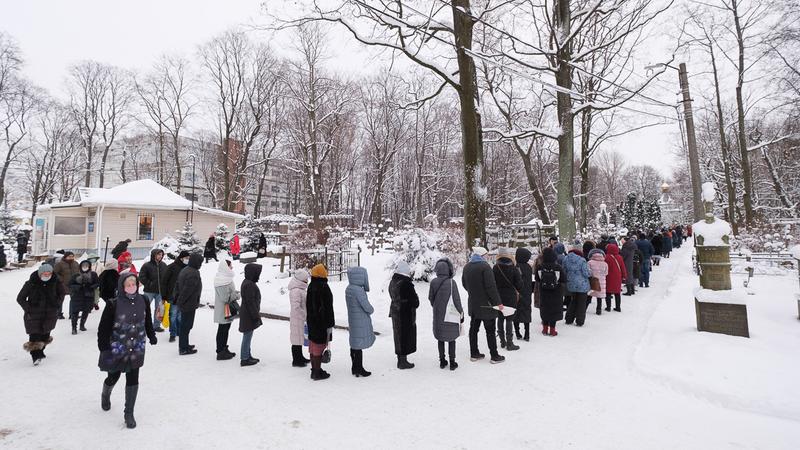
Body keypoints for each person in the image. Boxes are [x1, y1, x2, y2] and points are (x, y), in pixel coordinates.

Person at [97, 273, 157, 429]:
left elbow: (147, 320)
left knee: (133, 379)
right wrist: (103, 347)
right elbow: (103, 329)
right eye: (128, 285)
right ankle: (106, 394)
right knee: (113, 376)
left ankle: (128, 413)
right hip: (117, 347)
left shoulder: (143, 300)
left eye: (134, 284)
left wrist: (151, 335)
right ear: (122, 287)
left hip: (136, 347)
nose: (132, 287)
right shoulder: (113, 304)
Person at [462, 247, 505, 364]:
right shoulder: (485, 267)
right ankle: (494, 356)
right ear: (482, 255)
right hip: (487, 306)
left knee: (474, 329)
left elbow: (464, 284)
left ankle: (474, 353)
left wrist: (474, 293)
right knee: (490, 330)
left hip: (473, 304)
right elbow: (491, 288)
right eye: (486, 255)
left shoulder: (467, 267)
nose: (487, 257)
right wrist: (498, 303)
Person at [18, 264, 65, 365]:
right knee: (34, 336)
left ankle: (41, 351)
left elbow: (62, 293)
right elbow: (20, 298)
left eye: (49, 273)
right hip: (33, 315)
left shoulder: (56, 282)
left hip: (50, 314)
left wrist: (57, 304)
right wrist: (28, 308)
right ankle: (36, 356)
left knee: (45, 335)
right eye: (44, 273)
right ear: (40, 273)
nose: (47, 275)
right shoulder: (31, 283)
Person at [429, 258, 463, 370]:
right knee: (451, 339)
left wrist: (437, 306)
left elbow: (431, 299)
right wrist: (461, 313)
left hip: (439, 314)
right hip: (451, 315)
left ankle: (442, 361)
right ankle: (452, 362)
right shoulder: (452, 283)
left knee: (440, 338)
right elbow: (457, 300)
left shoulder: (433, 282)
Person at [344, 266, 375, 377]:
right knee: (358, 346)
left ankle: (354, 367)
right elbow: (367, 307)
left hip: (353, 319)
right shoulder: (358, 290)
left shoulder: (349, 288)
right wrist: (372, 309)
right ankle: (359, 368)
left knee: (354, 344)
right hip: (360, 320)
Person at [388, 260, 419, 369]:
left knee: (398, 334)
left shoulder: (393, 282)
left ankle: (400, 359)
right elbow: (415, 302)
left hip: (395, 311)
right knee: (405, 335)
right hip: (405, 313)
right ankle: (403, 361)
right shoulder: (406, 283)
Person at [306, 264, 334, 380]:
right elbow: (328, 307)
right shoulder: (323, 287)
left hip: (312, 321)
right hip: (321, 322)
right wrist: (329, 323)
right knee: (319, 345)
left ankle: (314, 369)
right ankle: (317, 373)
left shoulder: (311, 285)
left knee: (313, 345)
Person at [173, 253, 203, 355]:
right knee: (186, 326)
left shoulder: (185, 269)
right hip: (188, 304)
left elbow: (177, 285)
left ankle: (185, 345)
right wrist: (180, 302)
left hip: (185, 303)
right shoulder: (193, 273)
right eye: (200, 262)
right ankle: (183, 348)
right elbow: (187, 290)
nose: (201, 264)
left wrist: (177, 299)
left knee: (184, 326)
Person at [493, 247, 521, 351]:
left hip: (498, 296)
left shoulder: (495, 268)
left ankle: (502, 341)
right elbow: (519, 285)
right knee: (509, 319)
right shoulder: (513, 268)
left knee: (500, 318)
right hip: (510, 297)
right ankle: (510, 343)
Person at [536, 247, 565, 336]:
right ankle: (552, 330)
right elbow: (563, 279)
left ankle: (544, 329)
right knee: (554, 309)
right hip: (556, 292)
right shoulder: (558, 267)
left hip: (544, 292)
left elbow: (537, 279)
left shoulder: (540, 267)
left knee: (545, 309)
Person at [213, 259, 239, 361]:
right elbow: (225, 298)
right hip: (224, 310)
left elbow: (229, 292)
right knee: (222, 330)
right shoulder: (221, 280)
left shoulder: (225, 278)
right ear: (225, 267)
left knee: (225, 330)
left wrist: (234, 293)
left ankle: (223, 348)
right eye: (230, 266)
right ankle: (220, 351)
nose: (231, 267)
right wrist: (236, 295)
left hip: (227, 309)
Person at [162, 250, 189, 343]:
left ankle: (179, 331)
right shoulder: (172, 267)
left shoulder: (187, 268)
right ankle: (172, 334)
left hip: (183, 296)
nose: (188, 260)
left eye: (189, 258)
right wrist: (164, 296)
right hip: (172, 296)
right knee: (173, 315)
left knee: (180, 316)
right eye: (186, 258)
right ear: (181, 258)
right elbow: (164, 282)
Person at [239, 263, 263, 367]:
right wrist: (255, 315)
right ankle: (244, 358)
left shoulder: (248, 282)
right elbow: (250, 302)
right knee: (247, 336)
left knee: (248, 335)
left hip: (247, 313)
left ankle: (247, 355)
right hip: (248, 314)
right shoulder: (249, 285)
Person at [139, 249, 167, 333]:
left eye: (161, 255)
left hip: (160, 292)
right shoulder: (146, 265)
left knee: (160, 309)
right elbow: (142, 277)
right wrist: (149, 284)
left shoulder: (164, 265)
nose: (160, 256)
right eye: (158, 254)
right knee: (144, 308)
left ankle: (156, 326)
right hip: (149, 291)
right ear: (154, 255)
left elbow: (167, 277)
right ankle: (143, 324)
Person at [68, 259, 99, 335]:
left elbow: (98, 283)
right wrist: (77, 286)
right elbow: (70, 284)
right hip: (77, 296)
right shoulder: (76, 275)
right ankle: (74, 328)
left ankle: (82, 325)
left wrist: (92, 286)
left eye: (87, 266)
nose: (85, 267)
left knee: (86, 311)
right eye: (83, 266)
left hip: (88, 295)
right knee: (75, 312)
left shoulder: (93, 274)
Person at [288, 269, 311, 367]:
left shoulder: (300, 289)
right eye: (306, 279)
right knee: (296, 339)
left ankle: (300, 357)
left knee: (299, 338)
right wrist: (304, 315)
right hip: (298, 318)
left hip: (300, 318)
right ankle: (296, 360)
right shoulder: (296, 291)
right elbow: (295, 307)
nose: (307, 281)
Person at [564, 249, 590, 326]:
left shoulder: (565, 259)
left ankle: (568, 319)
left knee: (573, 301)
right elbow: (586, 273)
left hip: (571, 284)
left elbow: (564, 271)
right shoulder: (582, 260)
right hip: (582, 285)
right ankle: (580, 321)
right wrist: (591, 272)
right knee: (582, 303)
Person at [513, 247, 534, 342]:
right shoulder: (529, 268)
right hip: (527, 293)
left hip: (516, 293)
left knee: (516, 312)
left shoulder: (515, 267)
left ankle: (517, 332)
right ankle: (527, 334)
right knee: (526, 312)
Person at [54, 251, 80, 320]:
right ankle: (58, 314)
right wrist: (61, 279)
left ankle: (72, 314)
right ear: (65, 257)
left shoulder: (76, 263)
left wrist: (78, 279)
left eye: (72, 256)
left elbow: (79, 272)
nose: (71, 258)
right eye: (69, 256)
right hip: (62, 284)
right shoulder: (60, 264)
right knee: (60, 299)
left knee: (74, 299)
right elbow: (55, 273)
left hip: (73, 284)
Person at [604, 243, 627, 313]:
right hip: (617, 277)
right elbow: (623, 267)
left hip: (608, 277)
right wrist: (624, 276)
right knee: (617, 293)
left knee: (608, 292)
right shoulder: (620, 257)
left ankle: (608, 307)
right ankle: (618, 307)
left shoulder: (606, 257)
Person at [588, 249, 609, 315]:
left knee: (589, 295)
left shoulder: (590, 262)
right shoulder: (605, 263)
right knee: (599, 297)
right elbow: (606, 273)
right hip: (601, 282)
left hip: (592, 281)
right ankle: (598, 310)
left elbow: (588, 272)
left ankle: (584, 308)